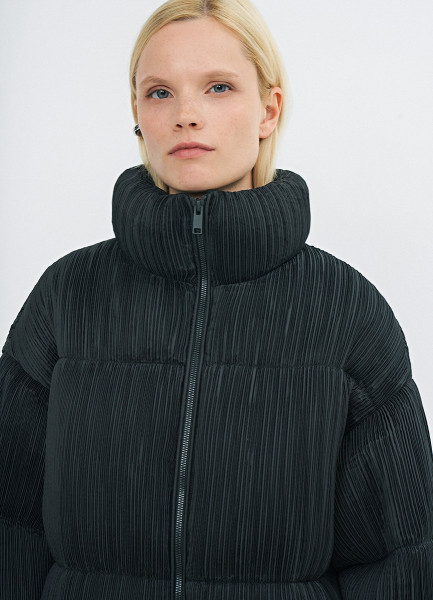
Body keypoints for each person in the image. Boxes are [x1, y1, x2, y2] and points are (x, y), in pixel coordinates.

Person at [1, 0, 432, 598]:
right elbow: (10, 531)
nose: (186, 115)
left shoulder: (347, 314)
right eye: (159, 93)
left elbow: (398, 562)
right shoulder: (66, 300)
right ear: (137, 113)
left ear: (268, 110)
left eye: (219, 87)